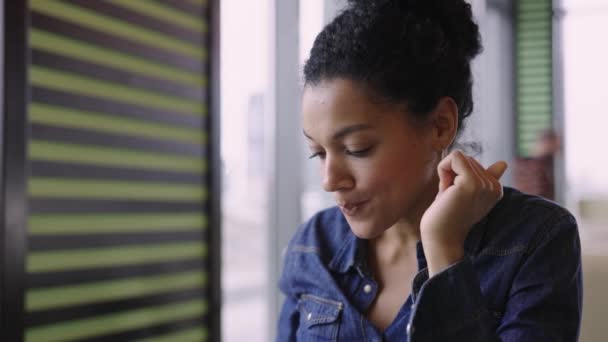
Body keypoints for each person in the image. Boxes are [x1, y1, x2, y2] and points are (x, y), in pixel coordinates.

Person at [277, 0, 582, 341]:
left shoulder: (534, 240)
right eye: (317, 153)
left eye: (356, 149)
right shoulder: (312, 247)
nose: (330, 180)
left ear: (439, 126)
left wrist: (444, 252)